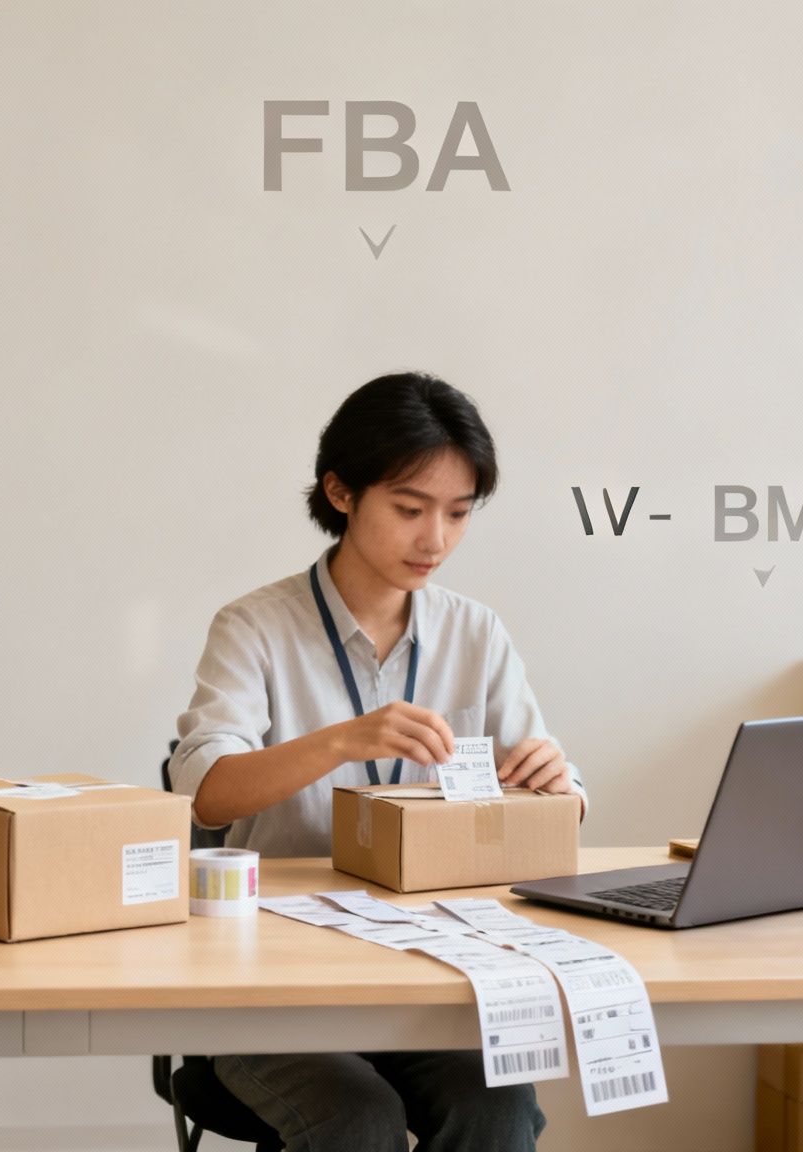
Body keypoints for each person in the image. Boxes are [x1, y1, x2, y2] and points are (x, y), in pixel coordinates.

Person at [168, 370, 586, 1152]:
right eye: (409, 509)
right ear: (340, 492)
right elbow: (204, 796)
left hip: (431, 969)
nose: (435, 540)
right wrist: (346, 738)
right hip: (274, 979)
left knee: (493, 1104)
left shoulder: (476, 634)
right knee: (355, 1115)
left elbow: (561, 803)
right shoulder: (256, 627)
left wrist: (556, 785)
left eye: (458, 514)